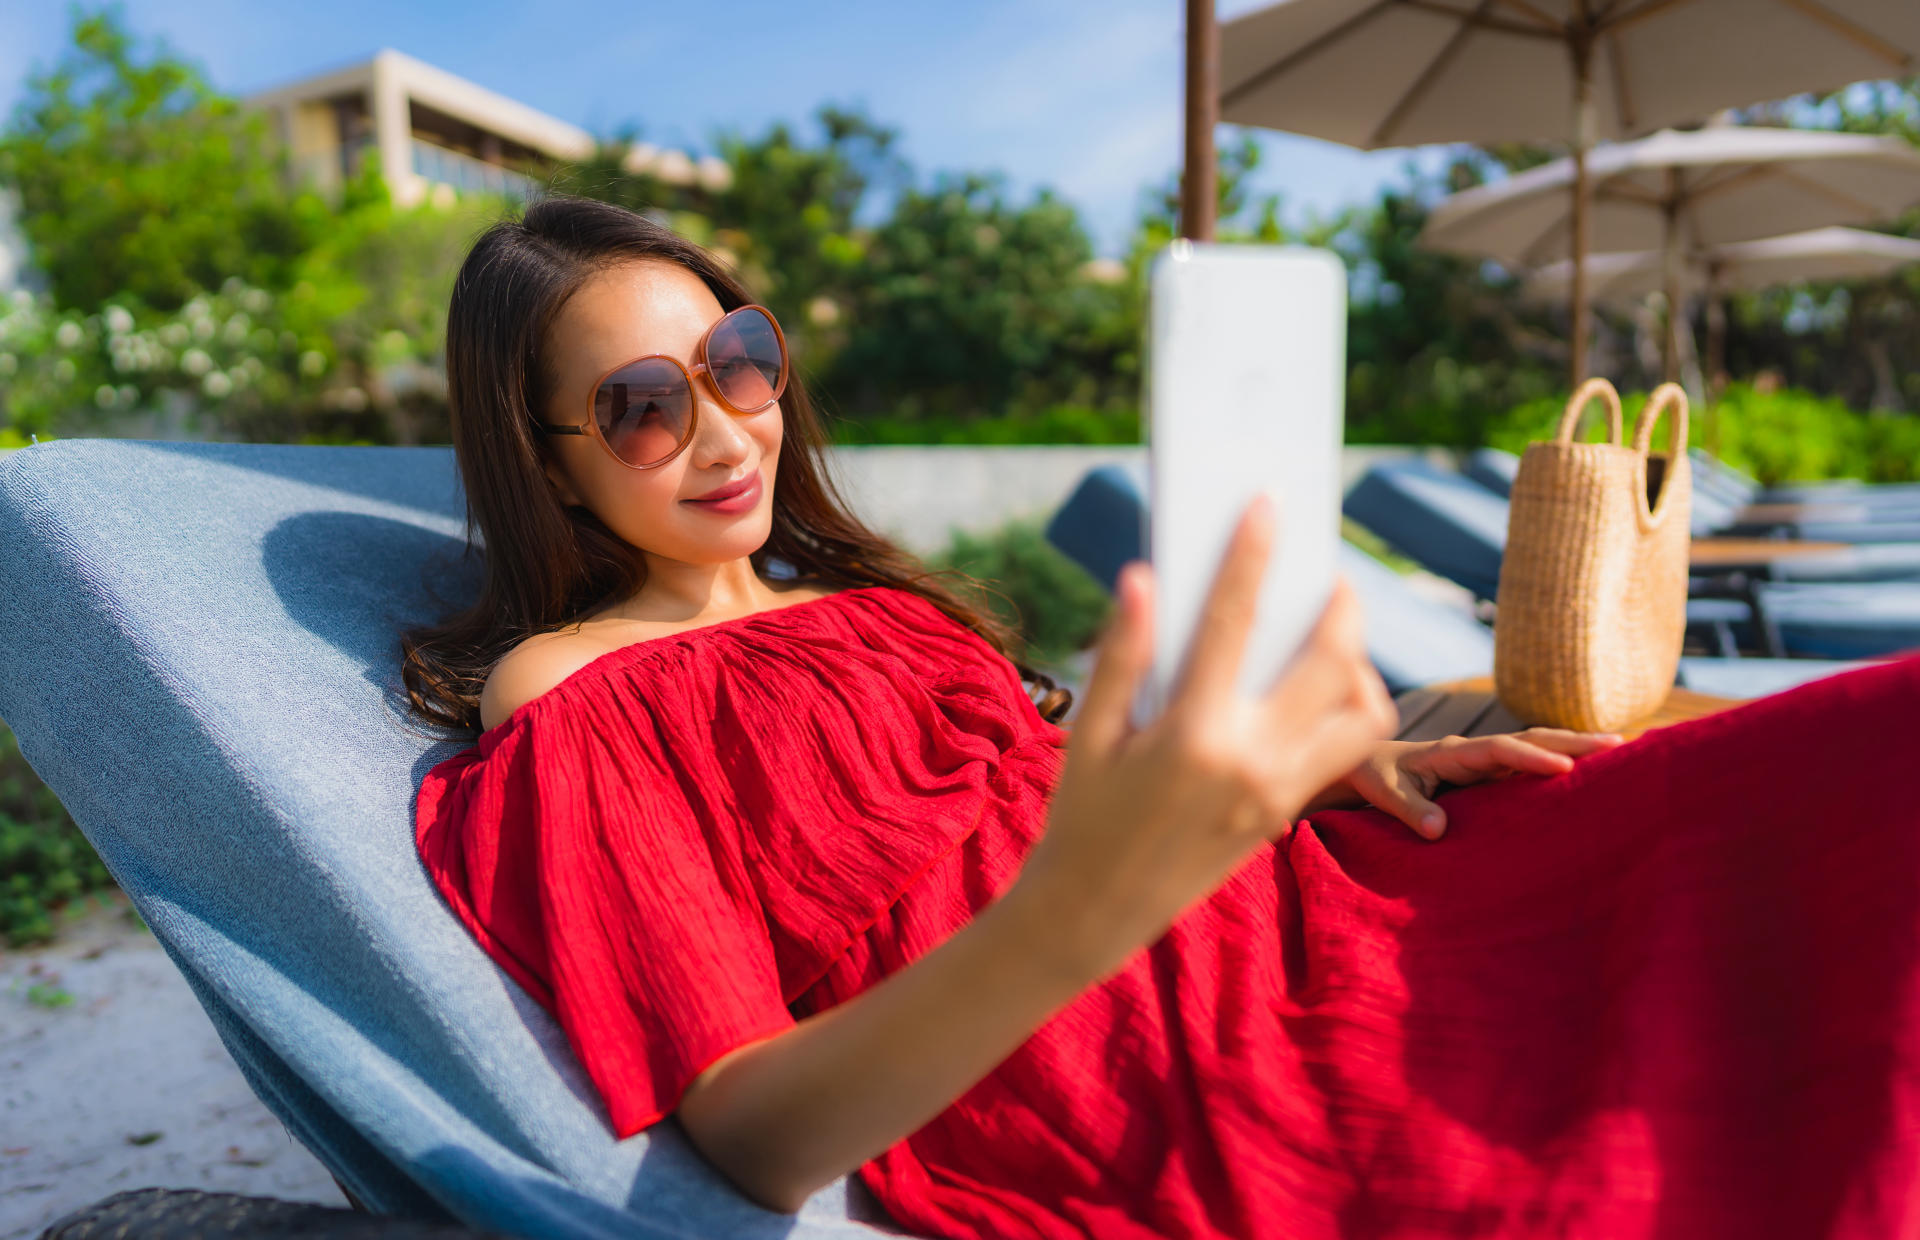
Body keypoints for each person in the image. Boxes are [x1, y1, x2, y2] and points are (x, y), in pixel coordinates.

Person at [407, 196, 1920, 1239]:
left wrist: (1332, 767)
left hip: (1319, 897)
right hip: (1173, 1068)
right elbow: (745, 1126)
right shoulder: (578, 693)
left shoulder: (870, 607)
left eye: (741, 359)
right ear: (548, 463)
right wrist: (1085, 904)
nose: (729, 426)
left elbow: (1074, 791)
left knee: (1847, 768)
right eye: (645, 405)